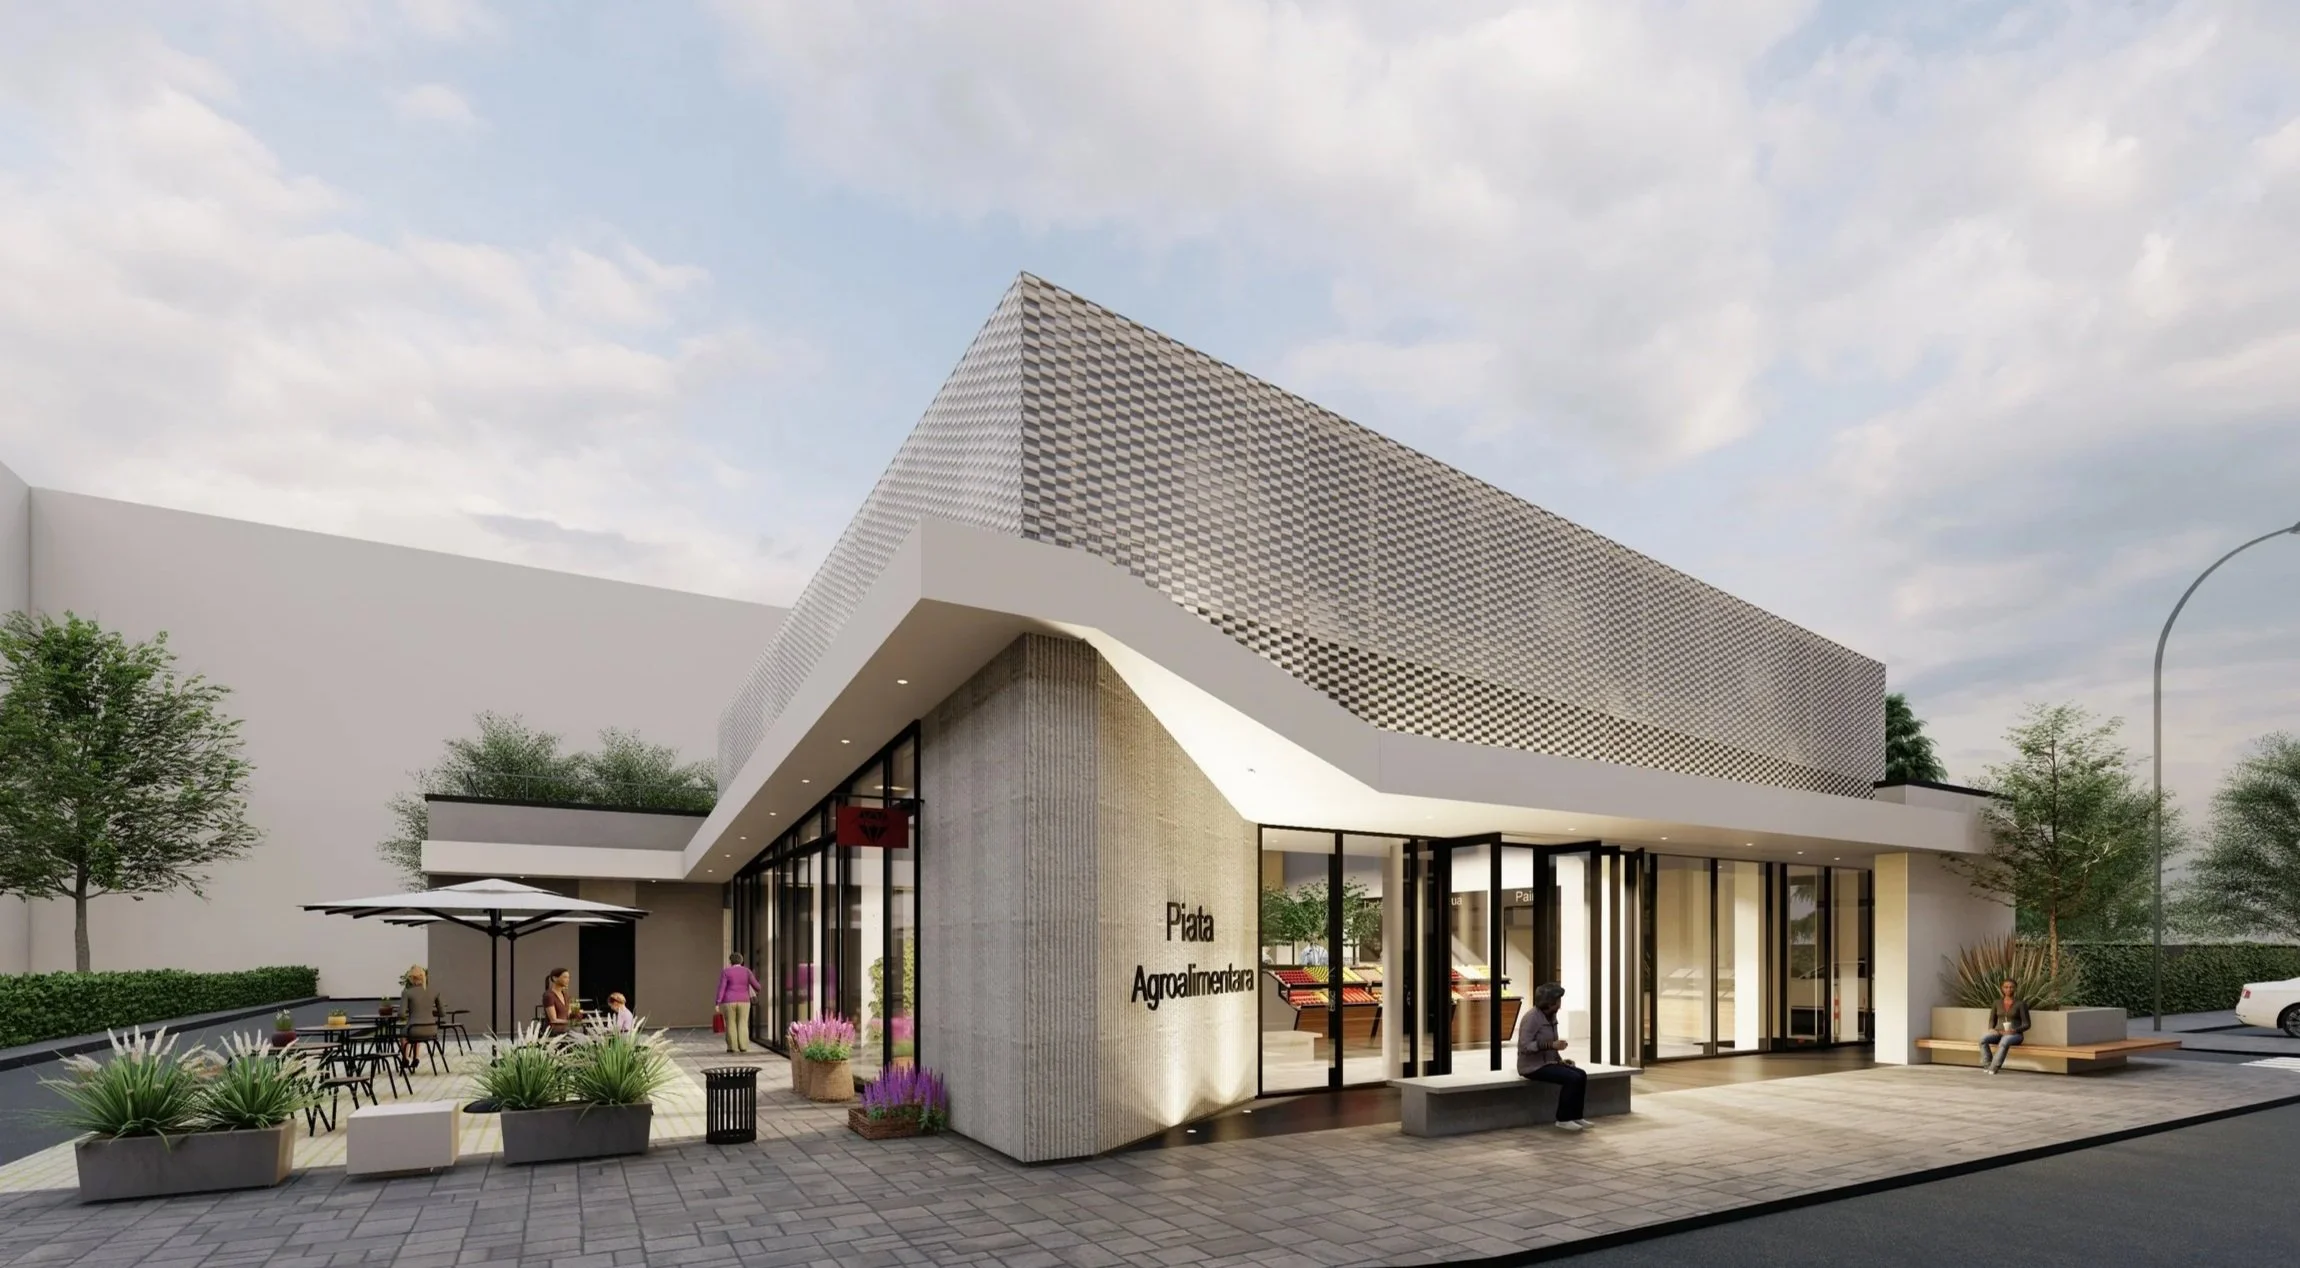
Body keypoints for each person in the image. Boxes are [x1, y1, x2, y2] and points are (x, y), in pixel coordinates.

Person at [1515, 981, 1593, 1132]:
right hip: (1532, 1067)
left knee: (1580, 1074)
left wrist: (1560, 1061)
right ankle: (1563, 1119)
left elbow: (1552, 1045)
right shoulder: (1531, 1018)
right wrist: (1551, 1045)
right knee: (1571, 1078)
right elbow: (1524, 1046)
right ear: (1549, 1003)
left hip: (1548, 1063)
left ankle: (1576, 1115)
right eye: (1558, 1002)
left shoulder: (1551, 1017)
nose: (1560, 1005)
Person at [1979, 978, 2030, 1074]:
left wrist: (2014, 1030)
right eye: (2006, 987)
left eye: (2011, 987)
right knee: (1983, 1039)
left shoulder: (2021, 1004)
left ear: (2015, 989)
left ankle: (1993, 1068)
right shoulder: (1997, 1003)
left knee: (2005, 1040)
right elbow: (1992, 1020)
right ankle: (1987, 1064)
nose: (2009, 989)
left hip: (2015, 1035)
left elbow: (2027, 1024)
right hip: (1998, 1033)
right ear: (2002, 989)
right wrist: (1991, 1029)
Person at [717, 953, 762, 1053]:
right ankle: (743, 1046)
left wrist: (718, 1002)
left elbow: (722, 988)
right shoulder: (747, 971)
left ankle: (733, 1047)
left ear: (730, 961)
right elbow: (757, 986)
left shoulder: (726, 971)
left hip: (728, 1001)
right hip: (744, 1001)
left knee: (730, 1024)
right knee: (743, 1023)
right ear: (741, 961)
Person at [399, 965, 440, 1071]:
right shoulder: (434, 992)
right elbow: (442, 1013)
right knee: (415, 1028)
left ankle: (405, 1057)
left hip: (414, 1029)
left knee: (404, 1032)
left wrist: (409, 1012)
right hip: (432, 1029)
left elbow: (401, 1014)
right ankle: (416, 1057)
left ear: (411, 979)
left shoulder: (407, 993)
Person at [541, 968, 573, 1037]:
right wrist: (569, 1022)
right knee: (575, 1031)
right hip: (553, 1029)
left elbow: (569, 1014)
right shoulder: (549, 995)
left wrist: (575, 1016)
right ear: (555, 978)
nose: (568, 980)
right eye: (565, 977)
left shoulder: (566, 995)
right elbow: (553, 1019)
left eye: (568, 977)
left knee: (582, 1028)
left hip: (565, 1027)